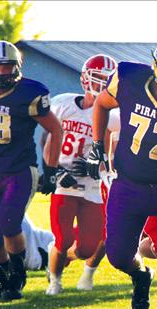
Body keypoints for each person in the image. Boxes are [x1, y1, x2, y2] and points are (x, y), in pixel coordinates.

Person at [86, 39, 157, 309]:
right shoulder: (129, 78)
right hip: (129, 183)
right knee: (118, 256)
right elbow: (101, 104)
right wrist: (97, 144)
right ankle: (140, 275)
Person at [0, 40, 62, 301]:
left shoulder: (30, 92)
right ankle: (1, 282)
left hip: (19, 169)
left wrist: (50, 170)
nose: (0, 73)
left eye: (6, 67)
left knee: (9, 222)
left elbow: (55, 129)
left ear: (17, 66)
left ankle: (17, 276)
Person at [44, 54, 119, 295]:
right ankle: (55, 281)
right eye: (97, 78)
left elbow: (111, 157)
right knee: (63, 238)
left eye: (107, 80)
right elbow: (49, 138)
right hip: (64, 181)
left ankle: (58, 255)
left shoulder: (114, 115)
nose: (101, 85)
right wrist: (54, 171)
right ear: (85, 78)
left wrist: (95, 166)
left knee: (88, 246)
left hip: (93, 185)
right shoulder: (63, 103)